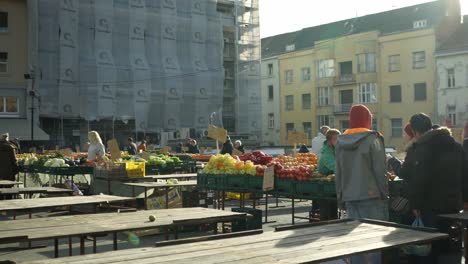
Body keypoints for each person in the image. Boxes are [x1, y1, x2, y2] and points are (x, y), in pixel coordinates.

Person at [400, 113, 468, 263]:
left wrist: (415, 204)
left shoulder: (422, 148)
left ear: (415, 131)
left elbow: (419, 179)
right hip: (454, 206)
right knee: (451, 246)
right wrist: (465, 200)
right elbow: (465, 174)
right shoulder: (456, 146)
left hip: (430, 206)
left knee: (429, 249)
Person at [335, 104, 388, 264]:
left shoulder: (340, 141)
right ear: (368, 120)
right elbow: (380, 170)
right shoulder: (373, 139)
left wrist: (341, 199)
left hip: (350, 197)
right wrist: (384, 193)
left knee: (355, 241)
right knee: (374, 241)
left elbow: (339, 173)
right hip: (371, 196)